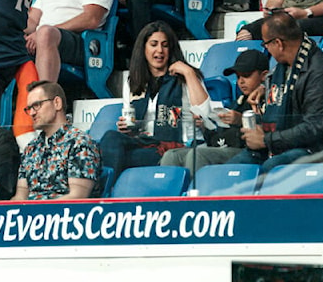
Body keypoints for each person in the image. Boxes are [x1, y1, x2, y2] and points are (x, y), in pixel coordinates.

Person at [227, 13, 323, 173]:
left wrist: (266, 140)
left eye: (266, 44)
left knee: (272, 168)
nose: (265, 48)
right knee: (234, 169)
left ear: (278, 43)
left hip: (312, 150)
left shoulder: (319, 73)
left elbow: (314, 129)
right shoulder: (281, 68)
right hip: (278, 144)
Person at [99, 22, 210, 173]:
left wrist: (189, 73)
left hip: (178, 146)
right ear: (143, 48)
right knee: (111, 137)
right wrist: (128, 128)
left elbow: (205, 113)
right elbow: (133, 120)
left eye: (165, 45)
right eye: (154, 44)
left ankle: (106, 190)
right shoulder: (133, 81)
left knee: (124, 158)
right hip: (145, 142)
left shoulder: (185, 77)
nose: (160, 50)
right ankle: (106, 189)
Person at [161, 49, 270, 172]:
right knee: (171, 155)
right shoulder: (238, 103)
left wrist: (240, 120)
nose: (241, 81)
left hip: (250, 152)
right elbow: (218, 140)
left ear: (264, 76)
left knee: (198, 155)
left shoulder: (269, 99)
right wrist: (204, 126)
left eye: (246, 75)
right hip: (226, 148)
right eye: (238, 76)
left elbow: (270, 128)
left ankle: (197, 190)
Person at [15, 80, 100, 200]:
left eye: (37, 105)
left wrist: (37, 211)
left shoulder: (79, 143)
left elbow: (78, 197)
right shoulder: (30, 148)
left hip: (65, 215)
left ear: (57, 103)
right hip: (29, 216)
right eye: (29, 108)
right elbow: (20, 197)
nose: (32, 113)